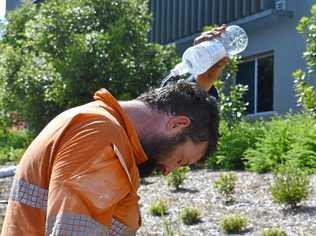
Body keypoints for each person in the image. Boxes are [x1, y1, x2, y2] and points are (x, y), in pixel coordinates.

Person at [1, 26, 228, 235]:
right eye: (179, 160)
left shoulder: (106, 127)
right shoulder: (100, 137)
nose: (169, 171)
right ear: (178, 125)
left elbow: (165, 107)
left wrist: (199, 82)